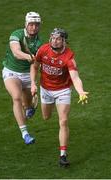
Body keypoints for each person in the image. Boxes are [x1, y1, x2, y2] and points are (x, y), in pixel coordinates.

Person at [30, 28, 89, 166]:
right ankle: (34, 104)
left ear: (64, 41)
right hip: (45, 89)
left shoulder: (69, 57)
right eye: (52, 38)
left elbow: (75, 77)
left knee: (63, 121)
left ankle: (63, 155)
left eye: (57, 39)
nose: (54, 41)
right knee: (46, 117)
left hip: (63, 90)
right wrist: (33, 83)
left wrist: (80, 91)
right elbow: (35, 66)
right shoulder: (43, 50)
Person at [2, 12, 42, 145]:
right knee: (16, 97)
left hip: (27, 75)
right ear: (26, 24)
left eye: (36, 25)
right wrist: (29, 57)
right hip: (11, 72)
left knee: (27, 105)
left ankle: (29, 108)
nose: (33, 27)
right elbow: (16, 52)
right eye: (31, 24)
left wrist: (33, 82)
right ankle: (25, 134)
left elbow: (34, 67)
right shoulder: (16, 35)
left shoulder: (39, 44)